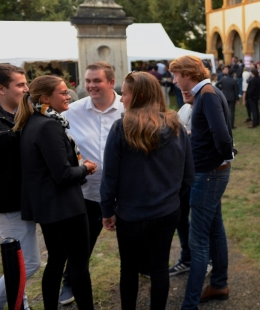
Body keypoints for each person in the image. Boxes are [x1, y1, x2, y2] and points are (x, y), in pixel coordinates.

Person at [100, 71, 194, 310]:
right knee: (159, 266)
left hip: (132, 213)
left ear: (139, 95)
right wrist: (174, 201)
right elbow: (188, 176)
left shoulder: (121, 128)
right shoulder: (176, 127)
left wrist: (107, 210)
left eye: (125, 93)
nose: (121, 98)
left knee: (129, 268)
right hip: (165, 211)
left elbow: (109, 176)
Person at [15, 75, 97, 310]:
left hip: (49, 207)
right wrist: (86, 168)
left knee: (56, 260)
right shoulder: (49, 125)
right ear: (45, 98)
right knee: (79, 265)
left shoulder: (33, 122)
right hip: (65, 207)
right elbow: (62, 174)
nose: (69, 94)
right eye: (62, 92)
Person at [169, 55, 234, 308]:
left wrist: (222, 159)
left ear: (189, 73)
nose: (174, 80)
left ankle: (190, 303)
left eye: (177, 75)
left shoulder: (207, 94)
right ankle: (219, 284)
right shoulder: (206, 92)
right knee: (215, 230)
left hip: (208, 174)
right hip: (209, 172)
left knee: (198, 242)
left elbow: (222, 135)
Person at [58, 61, 124, 305]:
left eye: (96, 81)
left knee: (134, 239)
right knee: (80, 247)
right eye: (88, 81)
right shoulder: (72, 111)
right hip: (86, 193)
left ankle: (145, 266)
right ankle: (69, 281)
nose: (91, 86)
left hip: (123, 192)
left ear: (110, 82)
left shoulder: (126, 108)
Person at [0, 65, 39, 310]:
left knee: (19, 264)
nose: (26, 89)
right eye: (20, 85)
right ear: (1, 88)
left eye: (26, 84)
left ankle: (20, 305)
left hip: (23, 202)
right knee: (27, 263)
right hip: (9, 205)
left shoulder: (20, 114)